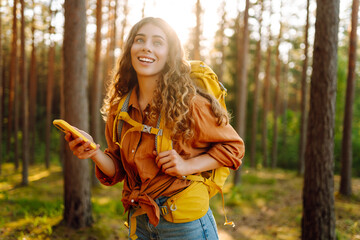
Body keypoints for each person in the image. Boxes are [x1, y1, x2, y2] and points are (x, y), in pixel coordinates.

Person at [65, 17, 244, 240]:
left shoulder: (191, 103)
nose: (147, 47)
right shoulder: (120, 108)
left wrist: (187, 165)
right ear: (131, 48)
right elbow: (118, 169)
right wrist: (94, 152)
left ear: (170, 54)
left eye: (158, 42)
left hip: (186, 226)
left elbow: (234, 147)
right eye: (140, 40)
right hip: (140, 223)